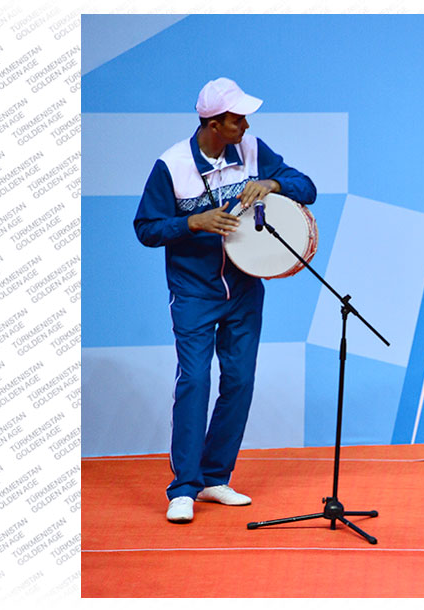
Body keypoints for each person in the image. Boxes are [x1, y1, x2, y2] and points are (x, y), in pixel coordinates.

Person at [134, 77, 317, 523]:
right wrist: (192, 223)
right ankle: (183, 487)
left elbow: (306, 187)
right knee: (195, 381)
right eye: (237, 119)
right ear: (214, 124)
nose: (246, 124)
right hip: (194, 292)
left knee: (239, 381)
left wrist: (272, 184)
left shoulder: (253, 149)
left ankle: (215, 478)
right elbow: (146, 228)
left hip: (245, 290)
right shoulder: (171, 165)